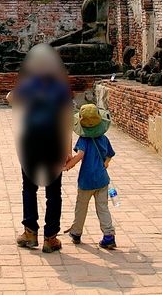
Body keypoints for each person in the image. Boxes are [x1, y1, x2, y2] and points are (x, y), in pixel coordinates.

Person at [7, 44, 73, 253]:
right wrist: (67, 149)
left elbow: (10, 98)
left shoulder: (29, 84)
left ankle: (30, 231)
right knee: (53, 192)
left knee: (29, 187)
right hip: (53, 141)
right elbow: (66, 119)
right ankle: (50, 237)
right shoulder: (61, 87)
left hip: (31, 141)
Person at [63, 103, 117, 249]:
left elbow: (79, 156)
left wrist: (67, 166)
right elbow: (109, 156)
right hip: (102, 180)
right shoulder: (104, 139)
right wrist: (105, 163)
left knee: (81, 206)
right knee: (103, 208)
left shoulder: (84, 140)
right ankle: (109, 235)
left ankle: (76, 232)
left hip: (86, 181)